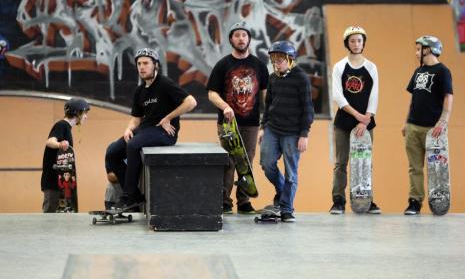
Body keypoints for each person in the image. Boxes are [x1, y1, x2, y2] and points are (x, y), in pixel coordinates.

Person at [107, 48, 197, 210]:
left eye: (146, 63)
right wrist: (128, 129)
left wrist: (168, 118)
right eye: (139, 64)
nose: (142, 67)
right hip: (145, 130)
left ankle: (128, 196)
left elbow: (191, 102)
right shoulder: (139, 91)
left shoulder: (165, 83)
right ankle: (134, 193)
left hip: (165, 133)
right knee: (112, 153)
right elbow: (136, 118)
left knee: (133, 145)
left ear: (155, 65)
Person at [206, 21, 269, 214]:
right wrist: (225, 106)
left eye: (244, 35)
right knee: (229, 161)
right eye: (237, 35)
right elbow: (212, 93)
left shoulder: (259, 65)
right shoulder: (223, 65)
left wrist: (266, 123)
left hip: (251, 123)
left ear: (249, 39)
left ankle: (244, 202)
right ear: (231, 39)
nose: (241, 38)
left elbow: (266, 96)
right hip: (228, 124)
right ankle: (224, 202)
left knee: (247, 162)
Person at [258, 40, 314, 222]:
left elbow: (308, 109)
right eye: (274, 60)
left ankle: (287, 209)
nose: (276, 63)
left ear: (290, 60)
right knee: (267, 164)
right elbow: (267, 106)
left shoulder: (301, 78)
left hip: (293, 133)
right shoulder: (273, 78)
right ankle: (282, 192)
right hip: (272, 128)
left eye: (280, 60)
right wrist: (262, 127)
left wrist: (304, 134)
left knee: (291, 172)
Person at [329, 26, 381, 215]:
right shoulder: (339, 66)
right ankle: (338, 200)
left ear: (363, 42)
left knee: (365, 161)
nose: (356, 44)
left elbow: (374, 96)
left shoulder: (371, 67)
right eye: (352, 41)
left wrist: (365, 119)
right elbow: (337, 96)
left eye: (359, 40)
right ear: (347, 43)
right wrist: (357, 116)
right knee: (341, 162)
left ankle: (366, 199)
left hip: (365, 122)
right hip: (344, 120)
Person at [402, 35, 453, 215]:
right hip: (413, 127)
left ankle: (438, 200)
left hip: (434, 130)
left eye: (419, 49)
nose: (416, 53)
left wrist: (443, 121)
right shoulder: (418, 72)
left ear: (429, 49)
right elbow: (413, 98)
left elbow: (448, 96)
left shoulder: (442, 71)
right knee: (414, 167)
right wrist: (405, 122)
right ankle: (414, 201)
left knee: (436, 167)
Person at [40, 98, 90, 213]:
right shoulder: (61, 125)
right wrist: (59, 144)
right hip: (53, 182)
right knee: (50, 217)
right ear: (77, 113)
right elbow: (50, 141)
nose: (86, 116)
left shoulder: (67, 128)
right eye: (85, 113)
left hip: (60, 184)